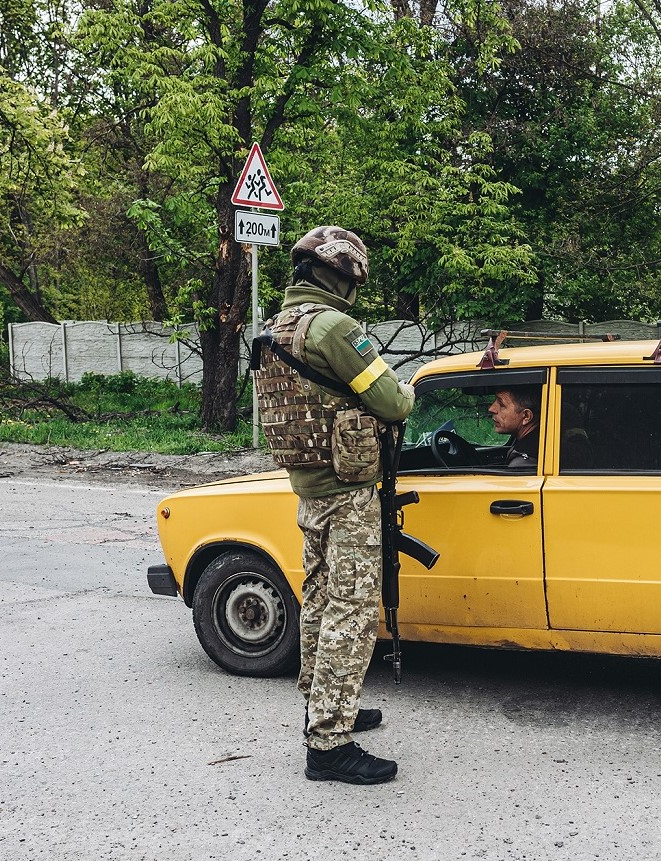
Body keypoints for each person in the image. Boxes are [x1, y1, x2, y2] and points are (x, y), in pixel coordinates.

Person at [252, 226, 414, 785]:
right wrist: (405, 389)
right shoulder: (334, 328)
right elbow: (392, 401)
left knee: (320, 598)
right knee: (353, 608)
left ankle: (323, 705)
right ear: (342, 278)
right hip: (347, 492)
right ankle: (328, 744)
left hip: (309, 487)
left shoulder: (277, 328)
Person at [488, 386, 540, 470]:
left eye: (501, 404)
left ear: (526, 416)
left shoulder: (523, 463)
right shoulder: (540, 444)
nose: (491, 409)